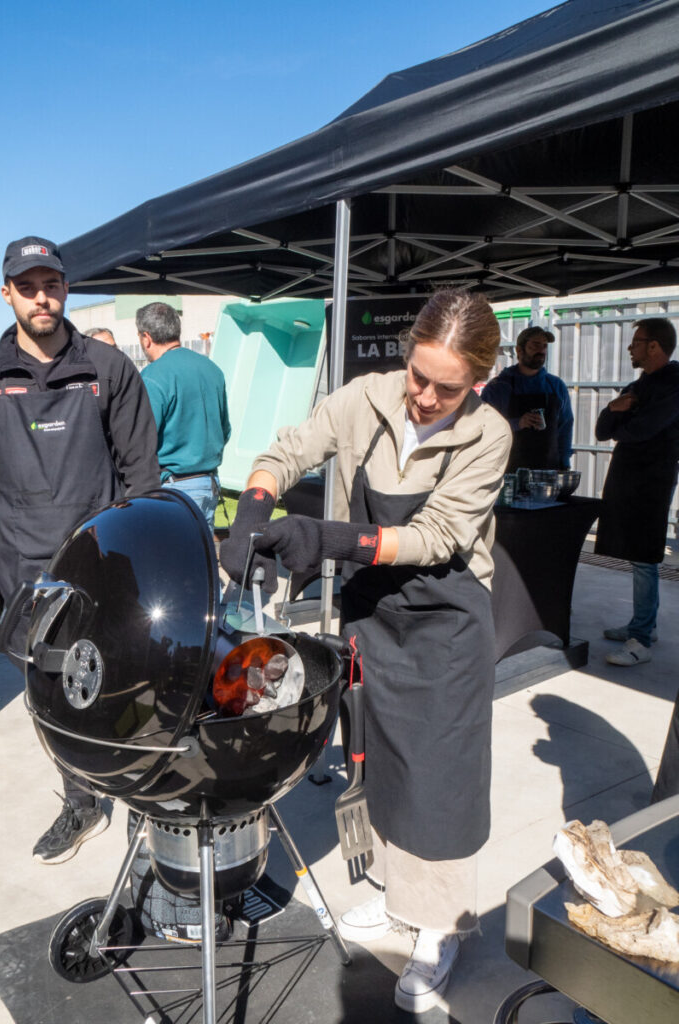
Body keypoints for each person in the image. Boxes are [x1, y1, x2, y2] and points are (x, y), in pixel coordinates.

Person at [220, 290, 511, 1013]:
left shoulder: (488, 433)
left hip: (445, 623)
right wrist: (256, 504)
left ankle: (442, 929)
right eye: (418, 375)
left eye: (448, 388)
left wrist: (333, 537)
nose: (424, 397)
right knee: (376, 759)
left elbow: (438, 535)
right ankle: (397, 903)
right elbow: (290, 450)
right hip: (370, 617)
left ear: (478, 380)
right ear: (407, 353)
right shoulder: (365, 399)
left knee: (438, 781)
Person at [0, 236, 160, 862]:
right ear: (7, 293)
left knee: (123, 683)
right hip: (24, 570)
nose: (43, 297)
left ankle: (139, 801)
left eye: (53, 284)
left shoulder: (108, 369)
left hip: (104, 562)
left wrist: (142, 550)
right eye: (29, 286)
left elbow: (141, 470)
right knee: (51, 694)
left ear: (66, 288)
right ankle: (82, 800)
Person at [595, 318, 679, 666]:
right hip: (629, 479)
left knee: (645, 558)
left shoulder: (674, 385)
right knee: (637, 557)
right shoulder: (637, 385)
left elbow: (642, 430)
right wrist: (614, 410)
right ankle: (641, 624)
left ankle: (641, 639)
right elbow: (603, 430)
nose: (630, 347)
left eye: (637, 342)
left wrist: (622, 418)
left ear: (655, 346)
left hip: (652, 482)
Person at [137, 302, 231, 532]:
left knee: (172, 562)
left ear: (146, 338)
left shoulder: (153, 375)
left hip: (175, 486)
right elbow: (225, 429)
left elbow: (141, 442)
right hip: (209, 483)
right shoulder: (212, 369)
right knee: (200, 561)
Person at [481, 325, 573, 471]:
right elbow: (484, 428)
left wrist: (564, 463)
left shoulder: (556, 386)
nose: (541, 351)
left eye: (544, 346)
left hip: (547, 473)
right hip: (507, 473)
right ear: (519, 350)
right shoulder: (498, 388)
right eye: (535, 345)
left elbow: (565, 428)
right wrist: (518, 423)